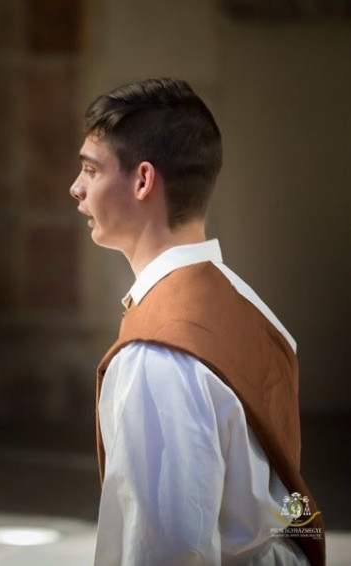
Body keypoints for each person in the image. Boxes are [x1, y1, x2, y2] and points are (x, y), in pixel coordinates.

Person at [69, 78, 324, 565]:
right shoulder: (249, 304)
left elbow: (168, 550)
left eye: (91, 169)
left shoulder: (156, 357)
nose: (76, 188)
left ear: (143, 181)